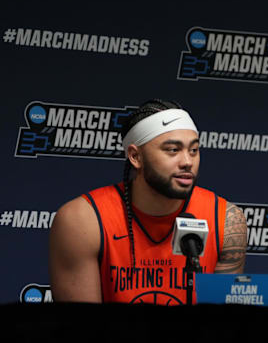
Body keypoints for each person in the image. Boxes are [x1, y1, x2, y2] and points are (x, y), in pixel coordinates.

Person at [49, 99, 248, 304]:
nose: (187, 161)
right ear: (135, 156)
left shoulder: (226, 219)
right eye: (172, 150)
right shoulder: (82, 220)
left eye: (194, 150)